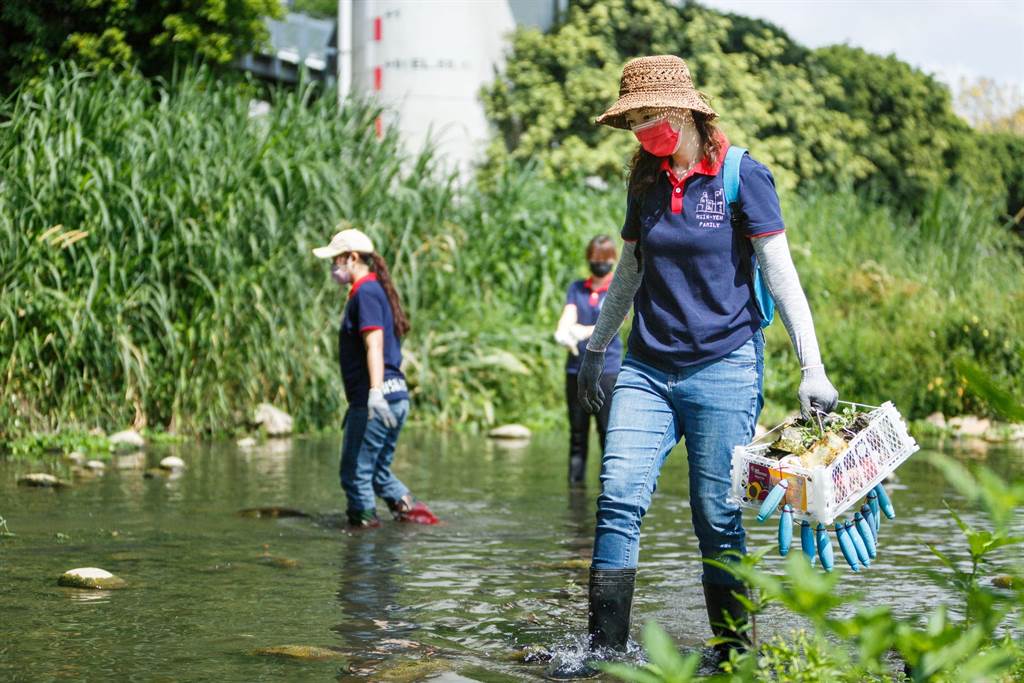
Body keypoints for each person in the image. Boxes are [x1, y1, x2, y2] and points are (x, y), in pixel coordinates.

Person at [553, 56, 839, 677]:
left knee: (715, 514)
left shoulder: (742, 176)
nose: (642, 128)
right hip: (647, 369)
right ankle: (603, 653)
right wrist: (598, 347)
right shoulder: (646, 184)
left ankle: (734, 652)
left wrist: (811, 366)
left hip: (725, 367)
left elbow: (780, 276)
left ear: (685, 112)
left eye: (650, 116)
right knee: (618, 497)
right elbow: (628, 272)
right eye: (633, 120)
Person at [313, 227, 438, 529]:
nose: (332, 267)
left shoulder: (366, 293)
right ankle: (418, 519)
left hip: (376, 400)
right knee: (378, 471)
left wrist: (374, 393)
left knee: (354, 473)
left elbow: (375, 344)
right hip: (396, 397)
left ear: (352, 258)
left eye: (336, 260)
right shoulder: (374, 291)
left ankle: (364, 541)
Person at [553, 236, 622, 485]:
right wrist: (563, 332)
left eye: (603, 260)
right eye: (594, 260)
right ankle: (576, 493)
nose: (599, 264)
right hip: (575, 369)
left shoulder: (617, 288)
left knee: (607, 434)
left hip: (607, 371)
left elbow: (617, 321)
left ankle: (611, 491)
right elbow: (568, 316)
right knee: (577, 436)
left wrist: (586, 331)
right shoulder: (577, 288)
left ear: (613, 260)